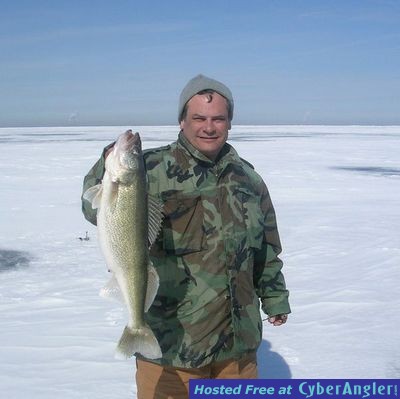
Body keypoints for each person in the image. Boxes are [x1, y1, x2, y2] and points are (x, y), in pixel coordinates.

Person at [81, 74, 290, 398]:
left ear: (229, 123)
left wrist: (274, 297)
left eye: (218, 118)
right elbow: (94, 210)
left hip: (237, 351)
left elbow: (266, 247)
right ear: (182, 121)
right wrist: (105, 167)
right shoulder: (149, 168)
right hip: (171, 350)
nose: (209, 126)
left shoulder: (248, 178)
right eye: (199, 118)